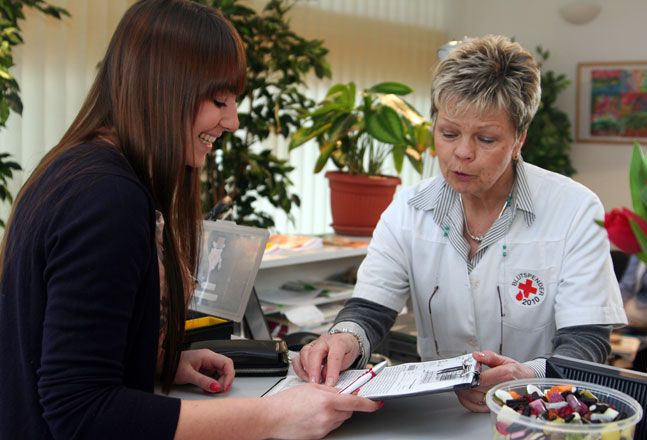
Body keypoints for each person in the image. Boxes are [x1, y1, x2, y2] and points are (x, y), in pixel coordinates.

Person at [0, 1, 379, 439]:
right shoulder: (107, 199)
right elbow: (80, 410)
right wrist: (273, 416)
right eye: (219, 100)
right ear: (163, 89)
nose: (233, 120)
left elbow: (57, 351)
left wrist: (152, 361)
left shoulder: (74, 168)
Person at [293, 35, 628, 413]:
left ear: (519, 139)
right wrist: (344, 339)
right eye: (448, 133)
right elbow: (370, 310)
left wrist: (525, 375)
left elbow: (588, 341)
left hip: (537, 413)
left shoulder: (575, 210)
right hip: (436, 413)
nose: (462, 153)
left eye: (485, 139)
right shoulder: (409, 209)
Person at [619, 255, 647, 328]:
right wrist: (618, 307)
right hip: (646, 304)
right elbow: (627, 285)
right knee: (623, 316)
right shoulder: (641, 250)